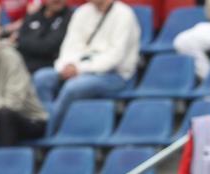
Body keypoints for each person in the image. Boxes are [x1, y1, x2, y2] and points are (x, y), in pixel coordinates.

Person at [32, 0, 139, 132]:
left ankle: (48, 130)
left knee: (73, 87)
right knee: (41, 78)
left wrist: (79, 69)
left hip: (115, 75)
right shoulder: (82, 12)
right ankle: (44, 120)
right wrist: (67, 66)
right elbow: (69, 47)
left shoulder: (124, 14)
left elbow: (115, 57)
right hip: (79, 68)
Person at [15, 0, 71, 73]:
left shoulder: (70, 16)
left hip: (50, 66)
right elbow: (20, 40)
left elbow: (50, 46)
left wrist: (26, 43)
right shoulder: (34, 15)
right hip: (24, 63)